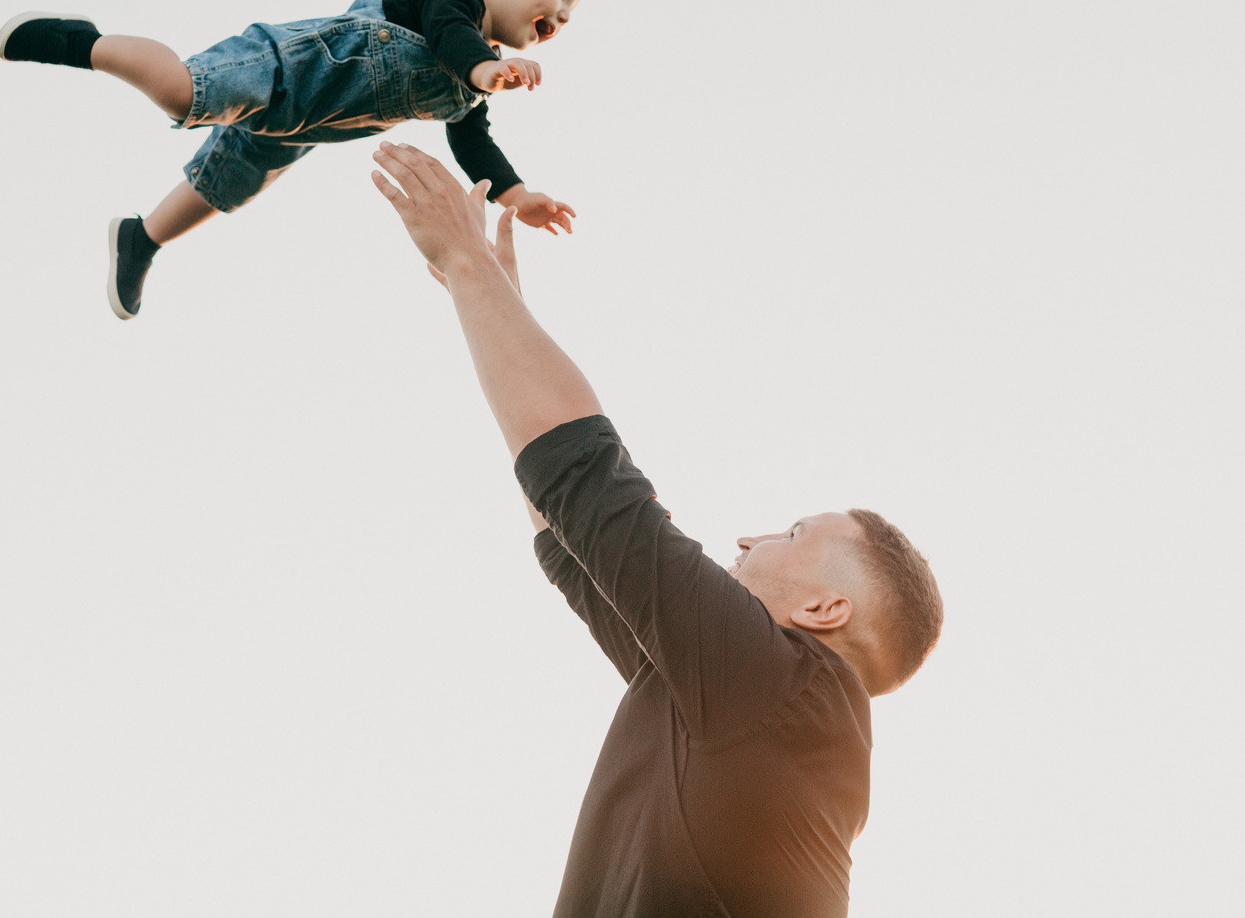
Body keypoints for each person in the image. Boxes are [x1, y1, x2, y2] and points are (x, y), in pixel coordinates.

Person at [369, 141, 944, 918]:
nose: (748, 539)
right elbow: (573, 535)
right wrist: (495, 306)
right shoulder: (724, 706)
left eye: (792, 531)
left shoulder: (790, 690)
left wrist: (468, 262)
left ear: (824, 608)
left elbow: (589, 482)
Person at [0, 0, 588, 318]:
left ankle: (141, 239)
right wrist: (482, 68)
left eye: (572, 12)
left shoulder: (474, 84)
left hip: (300, 126)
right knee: (183, 93)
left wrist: (517, 195)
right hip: (291, 67)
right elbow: (448, 29)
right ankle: (83, 42)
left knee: (221, 188)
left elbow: (474, 143)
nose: (563, 17)